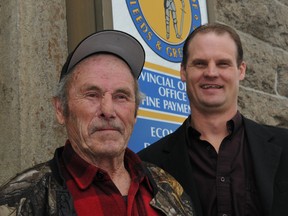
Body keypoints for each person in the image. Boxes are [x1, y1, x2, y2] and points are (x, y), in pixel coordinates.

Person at [0, 30, 195, 215]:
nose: (108, 111)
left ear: (135, 112)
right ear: (60, 109)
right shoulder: (22, 200)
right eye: (92, 95)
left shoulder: (168, 188)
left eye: (121, 96)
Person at [138, 23, 288, 216]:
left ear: (241, 70)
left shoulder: (285, 146)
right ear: (183, 71)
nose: (211, 72)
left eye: (222, 63)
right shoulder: (149, 165)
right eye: (200, 63)